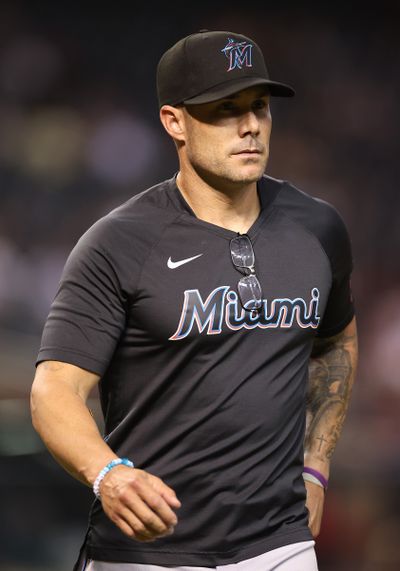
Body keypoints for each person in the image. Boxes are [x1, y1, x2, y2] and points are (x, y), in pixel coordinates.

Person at [30, 29, 358, 571]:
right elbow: (54, 390)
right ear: (174, 122)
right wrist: (108, 473)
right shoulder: (120, 242)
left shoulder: (318, 227)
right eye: (225, 109)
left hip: (279, 546)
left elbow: (336, 340)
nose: (250, 125)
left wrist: (316, 465)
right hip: (146, 551)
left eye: (259, 107)